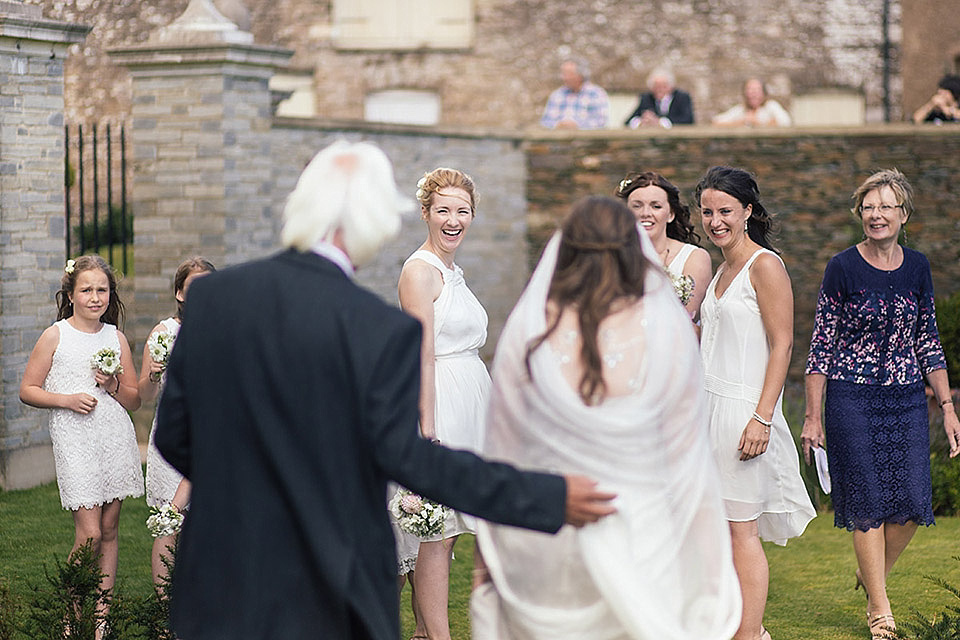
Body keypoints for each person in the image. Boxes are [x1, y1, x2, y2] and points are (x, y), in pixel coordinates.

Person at [153, 140, 617, 640]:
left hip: (223, 578)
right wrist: (547, 495)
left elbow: (175, 434)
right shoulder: (378, 329)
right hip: (336, 583)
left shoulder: (216, 299)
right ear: (378, 219)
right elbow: (416, 460)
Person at [469, 196, 742, 639]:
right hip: (644, 525)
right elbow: (685, 454)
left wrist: (490, 554)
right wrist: (705, 565)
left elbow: (505, 451)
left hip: (555, 523)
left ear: (566, 250)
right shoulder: (664, 327)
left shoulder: (532, 327)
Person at [800, 169, 960, 640]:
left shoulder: (919, 267)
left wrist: (948, 406)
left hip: (908, 398)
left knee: (912, 503)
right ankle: (880, 608)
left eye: (886, 206)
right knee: (868, 501)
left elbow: (928, 338)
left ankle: (871, 574)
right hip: (852, 398)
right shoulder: (842, 267)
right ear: (859, 214)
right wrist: (812, 416)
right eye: (869, 206)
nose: (876, 214)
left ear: (903, 215)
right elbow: (821, 346)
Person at [696, 166, 816, 640]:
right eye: (707, 211)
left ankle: (748, 635)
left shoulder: (764, 265)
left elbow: (783, 344)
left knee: (742, 531)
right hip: (708, 408)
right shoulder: (721, 267)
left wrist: (762, 417)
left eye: (725, 211)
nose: (715, 220)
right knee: (717, 529)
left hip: (744, 412)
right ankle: (741, 627)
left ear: (747, 211)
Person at [19, 254, 143, 636]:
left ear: (110, 295)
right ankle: (70, 611)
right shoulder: (55, 335)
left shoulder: (115, 338)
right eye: (86, 289)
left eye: (102, 290)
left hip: (114, 437)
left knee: (109, 527)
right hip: (75, 437)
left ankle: (102, 617)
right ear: (71, 294)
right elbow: (28, 390)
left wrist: (112, 385)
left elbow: (135, 400)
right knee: (88, 532)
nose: (95, 297)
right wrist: (67, 399)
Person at [397, 167, 489, 640]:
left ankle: (423, 633)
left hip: (470, 401)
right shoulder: (419, 271)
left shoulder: (453, 271)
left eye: (463, 211)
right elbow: (421, 356)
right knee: (437, 533)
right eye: (444, 211)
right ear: (426, 214)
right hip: (441, 408)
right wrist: (428, 434)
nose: (454, 220)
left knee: (446, 534)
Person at [139, 256, 216, 585]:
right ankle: (162, 618)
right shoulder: (164, 333)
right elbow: (143, 395)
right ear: (179, 293)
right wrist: (154, 374)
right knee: (170, 521)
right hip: (174, 437)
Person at [616, 170, 712, 322]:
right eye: (637, 206)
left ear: (670, 215)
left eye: (656, 206)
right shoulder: (613, 257)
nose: (646, 213)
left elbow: (687, 323)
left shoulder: (694, 258)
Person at [539, 57, 610, 130]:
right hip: (558, 139)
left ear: (581, 75)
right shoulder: (557, 94)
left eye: (569, 74)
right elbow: (545, 122)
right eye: (563, 74)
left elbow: (601, 122)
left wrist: (577, 125)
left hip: (586, 140)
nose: (565, 78)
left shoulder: (596, 93)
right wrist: (559, 125)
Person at [624, 68, 695, 129]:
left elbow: (688, 120)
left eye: (663, 86)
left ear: (671, 87)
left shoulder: (682, 97)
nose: (659, 89)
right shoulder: (646, 98)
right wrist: (641, 121)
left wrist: (661, 122)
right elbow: (627, 122)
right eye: (656, 86)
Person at [712, 78, 792, 128]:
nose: (753, 93)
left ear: (763, 93)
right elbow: (717, 121)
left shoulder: (771, 106)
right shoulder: (741, 109)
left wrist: (760, 124)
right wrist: (741, 122)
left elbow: (786, 122)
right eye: (750, 90)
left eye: (757, 90)